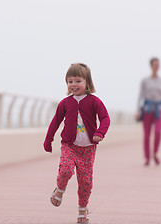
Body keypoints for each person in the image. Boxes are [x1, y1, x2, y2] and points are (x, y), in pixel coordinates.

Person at [43, 63, 110, 223]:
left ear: (87, 82)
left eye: (78, 81)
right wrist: (48, 139)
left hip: (88, 149)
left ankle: (82, 210)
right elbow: (55, 121)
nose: (73, 84)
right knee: (65, 170)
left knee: (85, 181)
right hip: (69, 145)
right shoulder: (65, 103)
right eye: (70, 81)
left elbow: (105, 119)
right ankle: (59, 189)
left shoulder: (94, 101)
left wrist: (100, 132)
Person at [135, 57, 161, 166]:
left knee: (158, 132)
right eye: (154, 64)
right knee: (147, 135)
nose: (156, 67)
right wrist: (137, 109)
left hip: (160, 109)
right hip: (147, 109)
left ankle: (155, 153)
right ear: (151, 66)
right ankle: (147, 157)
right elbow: (140, 95)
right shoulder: (145, 81)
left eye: (158, 65)